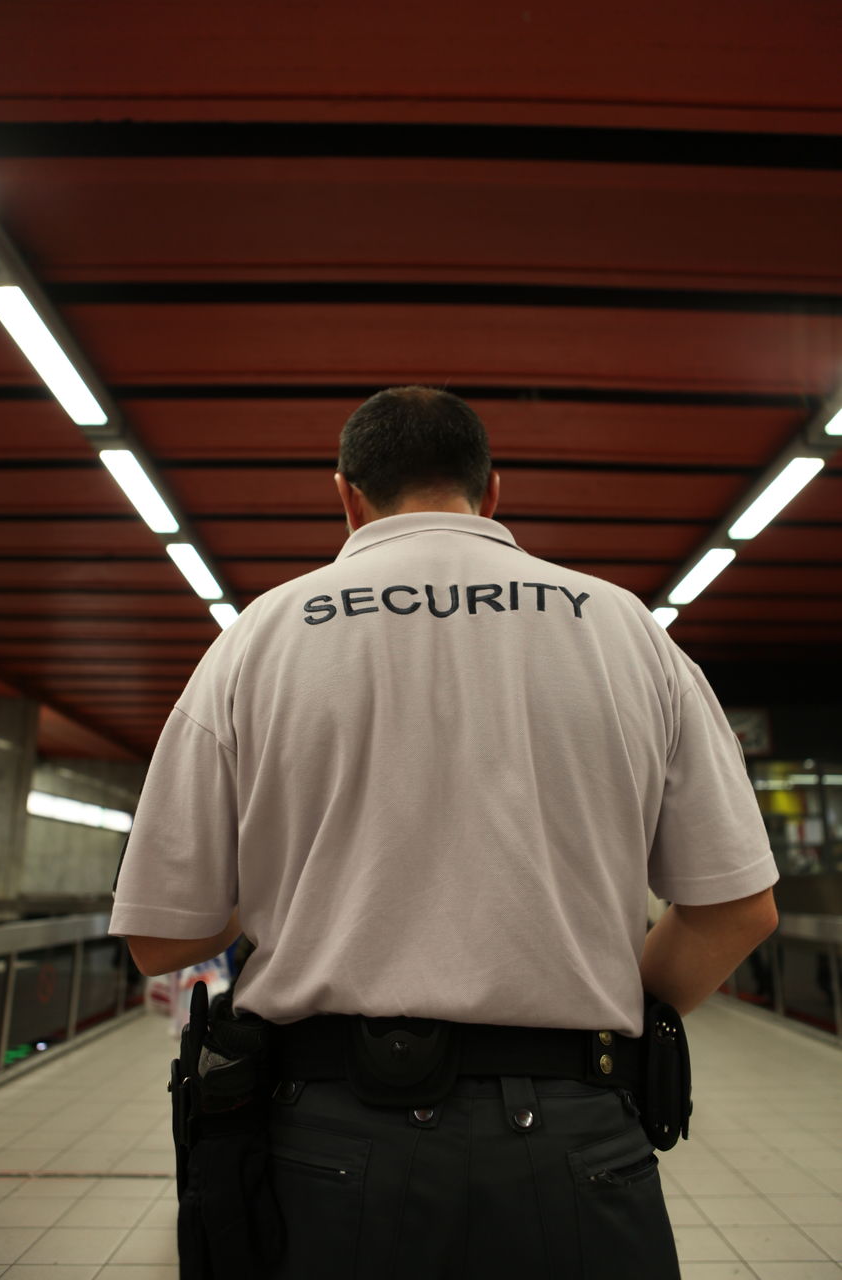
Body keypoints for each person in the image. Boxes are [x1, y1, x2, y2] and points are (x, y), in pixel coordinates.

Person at [110, 385, 779, 1279]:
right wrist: (613, 1021)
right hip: (578, 1132)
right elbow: (738, 908)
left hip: (329, 1140)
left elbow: (160, 936)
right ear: (491, 491)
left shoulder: (255, 639)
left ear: (347, 494)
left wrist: (294, 886)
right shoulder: (628, 630)